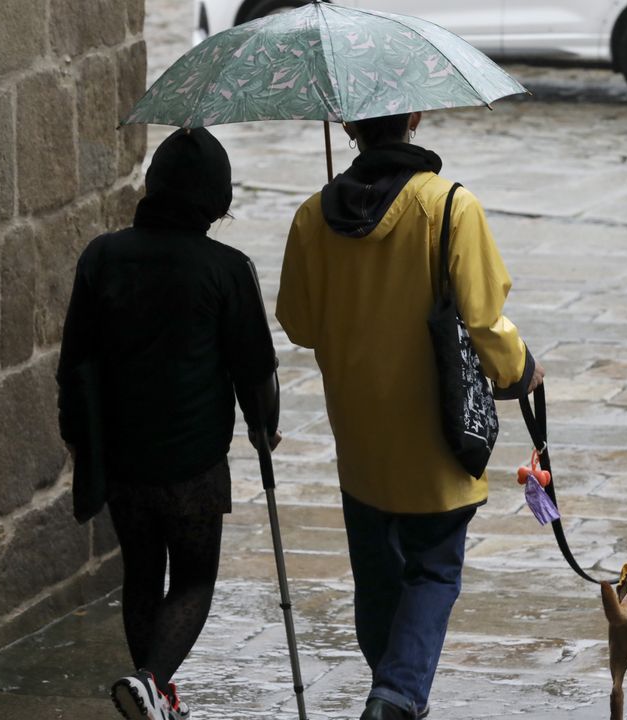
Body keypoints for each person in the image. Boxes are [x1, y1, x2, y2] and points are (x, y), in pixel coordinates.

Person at [276, 112, 544, 720]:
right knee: (432, 569)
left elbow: (299, 323)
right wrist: (520, 369)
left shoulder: (315, 215)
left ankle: (390, 692)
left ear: (348, 127)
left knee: (377, 578)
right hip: (435, 432)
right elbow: (482, 321)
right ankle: (395, 697)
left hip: (361, 433)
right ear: (415, 118)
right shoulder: (449, 207)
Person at [56, 128, 281, 720]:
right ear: (216, 198)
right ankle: (152, 681)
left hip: (124, 456)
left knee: (141, 574)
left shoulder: (102, 256)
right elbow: (255, 368)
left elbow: (75, 358)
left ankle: (154, 697)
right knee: (193, 580)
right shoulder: (227, 268)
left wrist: (78, 438)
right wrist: (264, 427)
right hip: (193, 458)